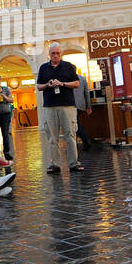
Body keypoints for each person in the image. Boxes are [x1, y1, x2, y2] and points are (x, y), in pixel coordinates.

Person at [37, 42, 82, 174]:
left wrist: (62, 83)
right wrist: (48, 84)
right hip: (49, 106)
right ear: (49, 54)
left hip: (67, 105)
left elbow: (77, 83)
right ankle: (54, 164)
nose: (55, 55)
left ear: (60, 53)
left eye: (57, 53)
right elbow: (39, 86)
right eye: (53, 53)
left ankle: (73, 163)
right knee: (52, 137)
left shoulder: (68, 66)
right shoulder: (43, 68)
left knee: (70, 135)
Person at [74, 69, 94, 151]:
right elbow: (86, 93)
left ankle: (86, 140)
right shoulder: (82, 78)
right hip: (81, 105)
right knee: (76, 122)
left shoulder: (67, 79)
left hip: (71, 105)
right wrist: (88, 106)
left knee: (75, 124)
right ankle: (85, 141)